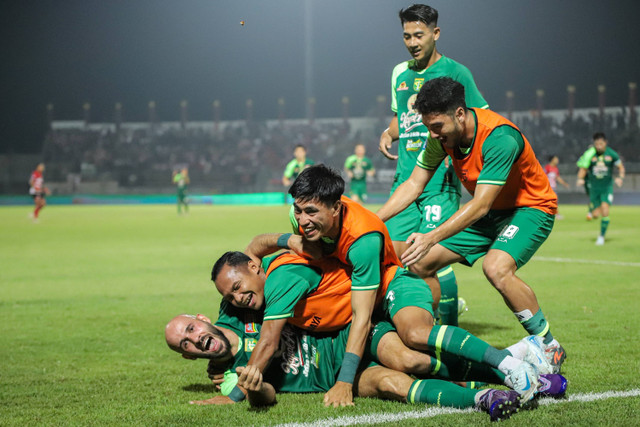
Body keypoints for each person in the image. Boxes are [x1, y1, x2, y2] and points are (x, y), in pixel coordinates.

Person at [217, 169, 544, 405]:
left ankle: (507, 362)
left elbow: (361, 317)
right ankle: (505, 371)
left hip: (390, 286)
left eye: (311, 213)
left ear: (336, 207)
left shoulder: (361, 240)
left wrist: (345, 381)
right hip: (362, 302)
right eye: (298, 212)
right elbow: (257, 245)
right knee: (409, 365)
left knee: (415, 338)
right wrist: (290, 240)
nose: (303, 221)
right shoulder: (302, 227)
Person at [376, 77, 566, 374]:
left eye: (437, 126)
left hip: (529, 208)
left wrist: (429, 236)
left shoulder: (499, 137)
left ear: (460, 114)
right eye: (428, 126)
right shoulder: (441, 138)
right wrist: (373, 220)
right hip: (491, 212)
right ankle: (432, 337)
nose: (432, 134)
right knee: (420, 262)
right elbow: (414, 183)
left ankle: (549, 345)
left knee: (496, 268)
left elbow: (479, 205)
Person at [165, 311, 564, 419]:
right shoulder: (227, 378)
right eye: (185, 343)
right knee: (393, 384)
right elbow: (265, 397)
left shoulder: (240, 311)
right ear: (189, 355)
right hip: (344, 380)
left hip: (354, 337)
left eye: (189, 327)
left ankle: (511, 364)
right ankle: (488, 396)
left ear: (199, 317)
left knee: (412, 359)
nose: (193, 337)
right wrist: (254, 389)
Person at [378, 4, 489, 327]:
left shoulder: (456, 72)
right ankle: (431, 320)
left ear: (435, 34)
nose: (412, 42)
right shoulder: (400, 74)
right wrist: (388, 132)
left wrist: (472, 165)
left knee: (426, 256)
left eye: (419, 35)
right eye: (407, 36)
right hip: (406, 179)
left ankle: (447, 327)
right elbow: (403, 118)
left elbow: (481, 117)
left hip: (440, 178)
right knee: (401, 257)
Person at [576, 132, 625, 245]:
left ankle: (601, 237)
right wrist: (580, 178)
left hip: (607, 187)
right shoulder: (590, 154)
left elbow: (621, 167)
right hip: (594, 189)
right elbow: (583, 169)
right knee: (595, 215)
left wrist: (620, 178)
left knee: (605, 209)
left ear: (605, 143)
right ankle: (592, 211)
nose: (599, 146)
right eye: (596, 144)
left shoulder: (612, 154)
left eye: (601, 144)